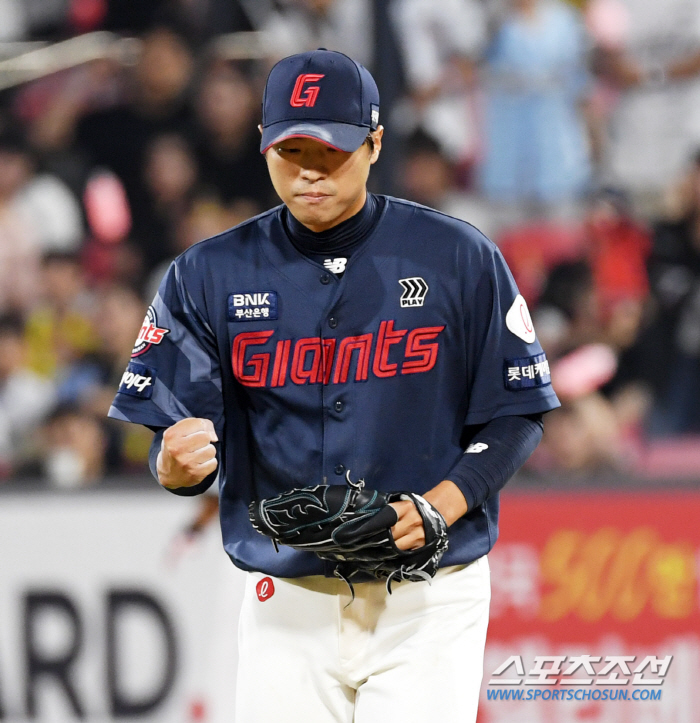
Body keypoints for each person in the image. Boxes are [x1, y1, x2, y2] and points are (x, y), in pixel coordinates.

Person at [108, 49, 560, 723]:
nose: (310, 169)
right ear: (264, 148)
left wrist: (443, 501)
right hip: (287, 598)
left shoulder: (460, 258)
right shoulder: (207, 275)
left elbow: (517, 410)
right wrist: (171, 464)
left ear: (375, 144)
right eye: (291, 149)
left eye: (332, 149)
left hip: (430, 597)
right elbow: (174, 444)